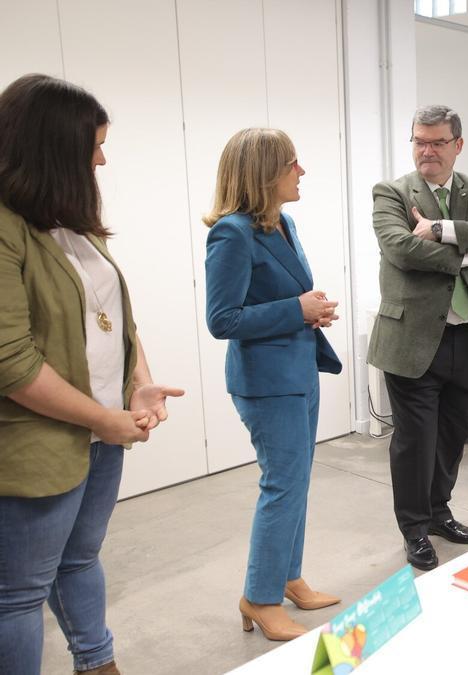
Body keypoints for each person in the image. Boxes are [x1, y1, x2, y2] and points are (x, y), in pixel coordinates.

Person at [0, 74, 184, 675]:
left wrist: (138, 382)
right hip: (38, 444)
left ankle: (99, 665)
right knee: (19, 594)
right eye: (92, 146)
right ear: (51, 149)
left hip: (102, 433)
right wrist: (105, 419)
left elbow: (116, 318)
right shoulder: (6, 229)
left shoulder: (69, 222)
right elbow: (12, 361)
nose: (101, 158)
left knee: (80, 560)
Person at [204, 128, 343, 641]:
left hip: (299, 370)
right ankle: (259, 598)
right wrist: (295, 310)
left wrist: (309, 313)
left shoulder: (281, 222)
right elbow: (222, 319)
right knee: (282, 486)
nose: (301, 171)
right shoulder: (231, 233)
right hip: (266, 383)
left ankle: (288, 577)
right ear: (265, 173)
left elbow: (282, 298)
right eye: (292, 163)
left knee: (297, 482)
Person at [369, 105, 468, 571]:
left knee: (453, 434)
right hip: (411, 339)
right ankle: (413, 528)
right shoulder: (390, 192)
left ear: (457, 145)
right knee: (415, 439)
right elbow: (400, 248)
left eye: (436, 142)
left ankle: (438, 512)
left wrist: (439, 229)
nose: (426, 150)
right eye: (419, 141)